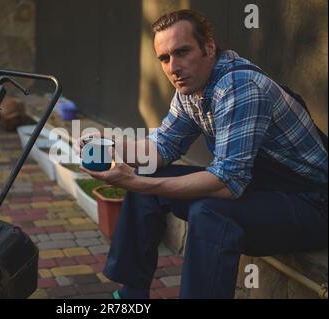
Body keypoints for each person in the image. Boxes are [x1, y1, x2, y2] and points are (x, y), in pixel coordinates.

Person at [79, 9, 328, 299]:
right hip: (261, 189)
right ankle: (132, 295)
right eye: (164, 58)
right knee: (148, 175)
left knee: (209, 213)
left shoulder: (239, 87)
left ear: (209, 47)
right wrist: (109, 144)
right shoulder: (190, 89)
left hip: (311, 204)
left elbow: (227, 182)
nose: (174, 67)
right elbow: (162, 147)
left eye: (182, 52)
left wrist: (136, 182)